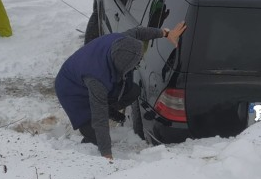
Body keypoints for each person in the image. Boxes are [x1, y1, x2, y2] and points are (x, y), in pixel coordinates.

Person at [55, 22, 187, 159]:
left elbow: (140, 32)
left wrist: (166, 33)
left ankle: (108, 110)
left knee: (132, 91)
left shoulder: (123, 40)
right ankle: (86, 152)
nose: (137, 65)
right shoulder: (97, 80)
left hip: (87, 69)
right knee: (94, 134)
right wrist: (107, 154)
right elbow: (99, 119)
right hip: (70, 89)